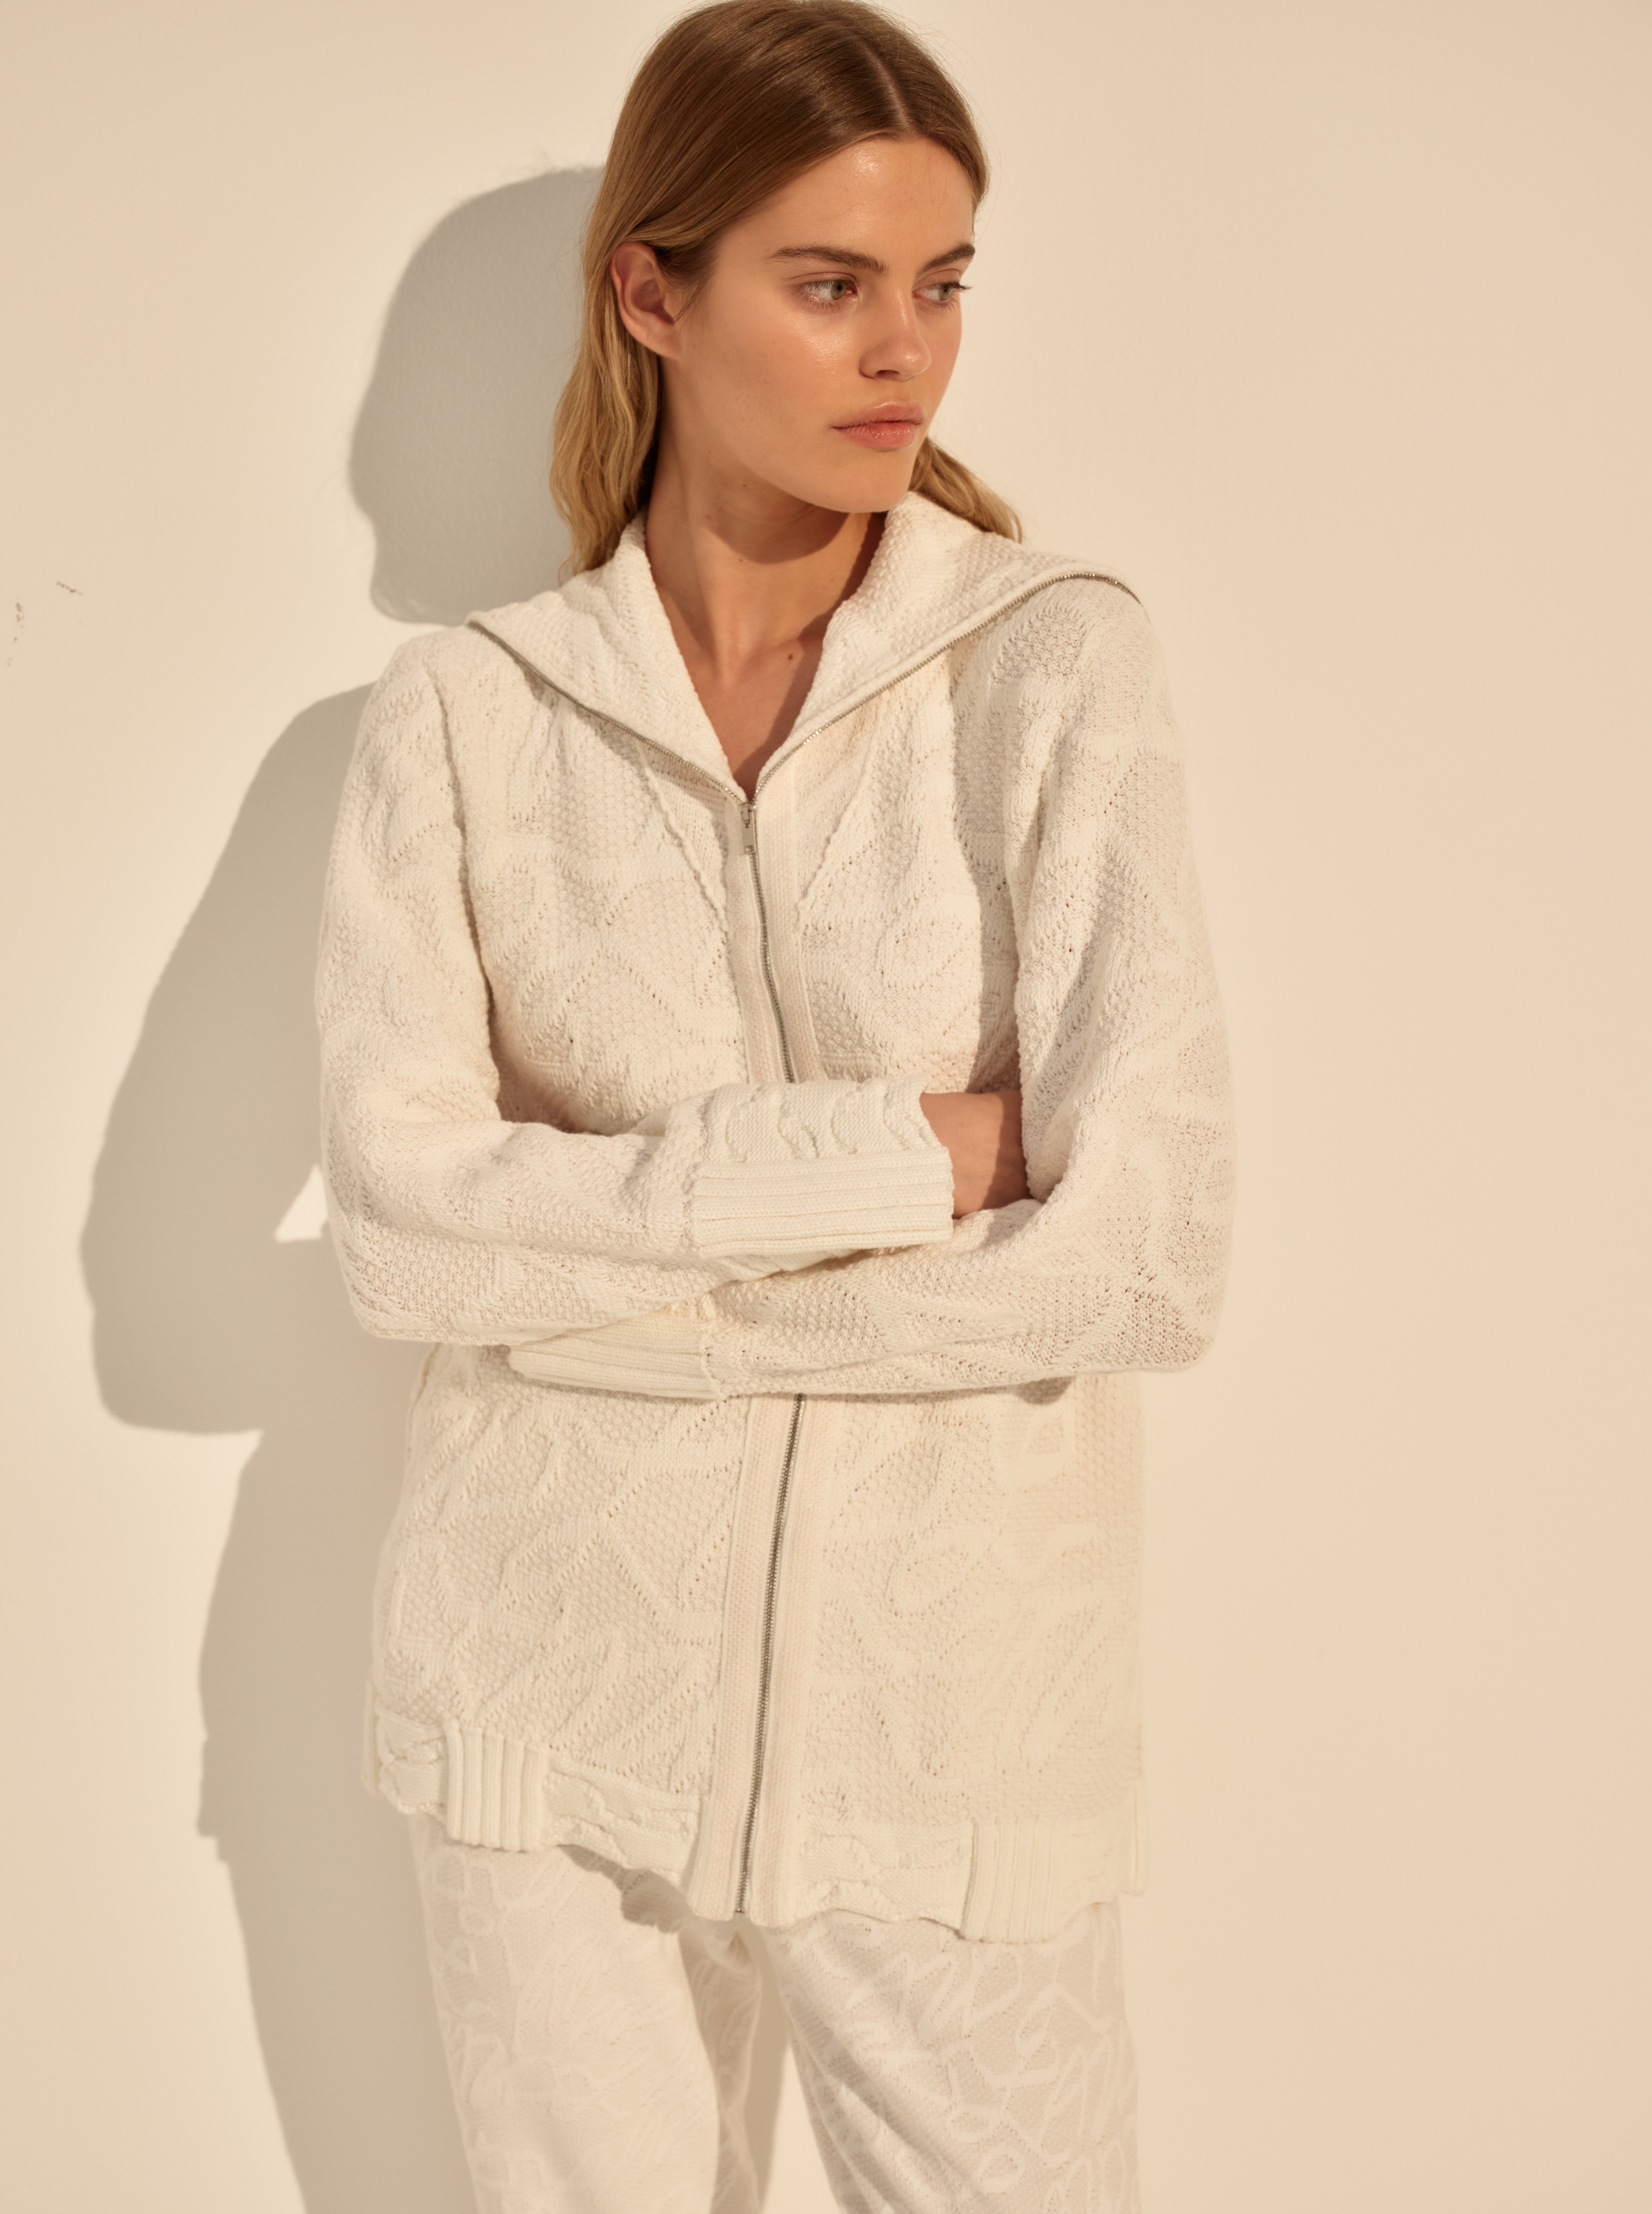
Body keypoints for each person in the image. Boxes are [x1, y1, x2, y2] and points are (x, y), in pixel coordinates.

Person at [315, 2, 1235, 2206]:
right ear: (653, 293)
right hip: (541, 1691)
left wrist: (612, 1313)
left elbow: (1144, 1256)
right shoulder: (467, 717)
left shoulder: (1050, 664)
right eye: (829, 285)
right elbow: (402, 1234)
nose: (904, 352)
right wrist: (900, 1153)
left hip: (947, 1728)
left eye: (941, 284)